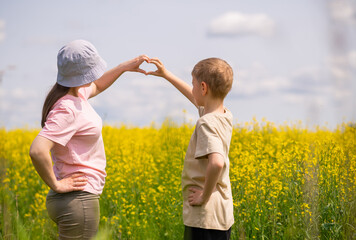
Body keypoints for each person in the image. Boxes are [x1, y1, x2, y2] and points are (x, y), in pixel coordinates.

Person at [29, 39, 149, 239]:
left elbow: (98, 85)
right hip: (78, 200)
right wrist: (56, 184)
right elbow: (37, 150)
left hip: (74, 200)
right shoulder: (68, 108)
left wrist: (124, 67)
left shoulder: (73, 96)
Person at [148, 57, 234, 240]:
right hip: (221, 213)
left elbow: (217, 163)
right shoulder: (223, 116)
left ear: (203, 88)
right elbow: (194, 97)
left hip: (204, 217)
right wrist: (166, 75)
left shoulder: (206, 123)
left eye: (193, 84)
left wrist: (204, 196)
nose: (192, 87)